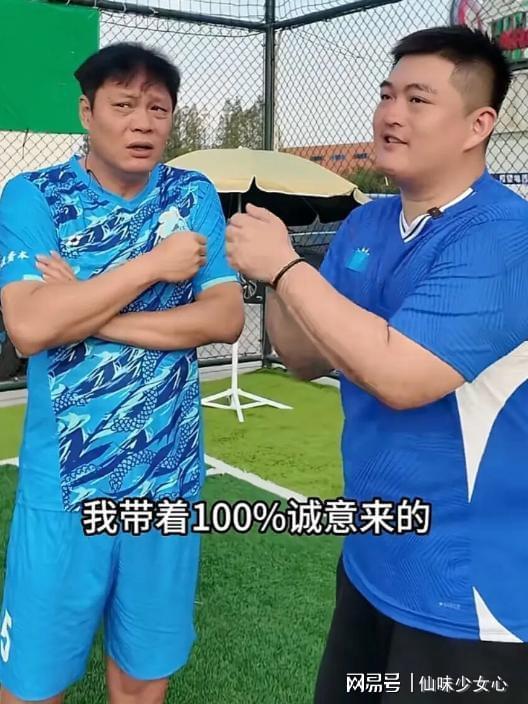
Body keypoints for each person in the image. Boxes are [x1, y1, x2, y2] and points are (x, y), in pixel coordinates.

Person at [226, 25, 528, 702]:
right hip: (373, 559)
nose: (391, 113)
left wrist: (285, 267)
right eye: (387, 94)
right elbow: (302, 356)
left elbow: (400, 377)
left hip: (470, 594)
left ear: (478, 125)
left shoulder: (506, 237)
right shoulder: (366, 223)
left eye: (418, 99)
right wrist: (276, 271)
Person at [0, 42, 243, 703]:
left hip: (166, 482)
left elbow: (224, 318)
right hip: (65, 487)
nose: (143, 123)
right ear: (87, 112)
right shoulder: (34, 197)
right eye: (124, 105)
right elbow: (30, 327)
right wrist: (153, 267)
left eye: (158, 109)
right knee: (30, 687)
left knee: (141, 680)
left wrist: (86, 311)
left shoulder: (191, 195)